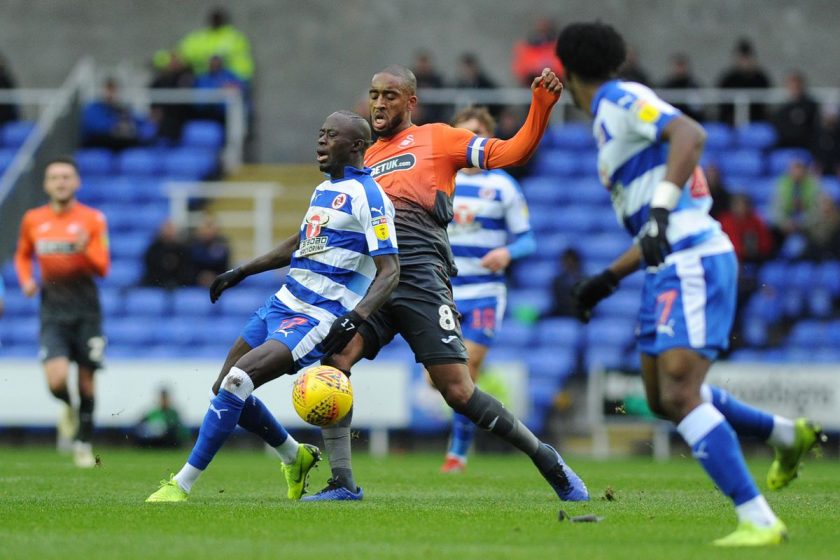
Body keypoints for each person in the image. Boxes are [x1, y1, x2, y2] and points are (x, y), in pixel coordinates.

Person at [556, 22, 822, 546]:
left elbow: (691, 135)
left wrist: (656, 210)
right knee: (661, 398)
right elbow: (656, 228)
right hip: (668, 263)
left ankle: (758, 520)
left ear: (565, 74)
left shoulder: (619, 98)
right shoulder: (610, 123)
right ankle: (786, 435)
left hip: (694, 258)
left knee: (680, 392)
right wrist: (608, 278)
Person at [303, 64, 588, 503]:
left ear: (411, 102)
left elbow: (512, 153)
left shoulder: (439, 138)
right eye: (375, 94)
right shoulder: (365, 160)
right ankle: (343, 483)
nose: (380, 103)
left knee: (458, 391)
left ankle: (548, 460)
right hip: (376, 280)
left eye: (391, 95)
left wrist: (542, 106)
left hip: (420, 277)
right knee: (333, 361)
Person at [145, 110, 400, 502]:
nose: (320, 141)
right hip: (282, 301)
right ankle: (293, 455)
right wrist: (242, 270)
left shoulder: (370, 197)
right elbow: (301, 242)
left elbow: (390, 270)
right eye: (320, 132)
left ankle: (181, 485)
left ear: (356, 147)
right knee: (224, 387)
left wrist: (356, 317)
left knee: (236, 383)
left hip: (315, 315)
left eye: (331, 135)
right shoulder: (324, 190)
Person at [439, 106, 536, 473]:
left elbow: (528, 240)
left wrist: (507, 252)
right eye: (463, 133)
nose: (470, 140)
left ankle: (457, 452)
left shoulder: (502, 185)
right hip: (442, 291)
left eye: (477, 133)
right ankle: (462, 441)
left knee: (469, 366)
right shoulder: (439, 179)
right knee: (443, 380)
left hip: (484, 291)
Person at [14, 156, 110, 468]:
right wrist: (27, 280)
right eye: (55, 177)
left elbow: (103, 267)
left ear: (76, 182)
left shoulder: (93, 219)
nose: (61, 182)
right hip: (52, 309)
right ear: (46, 184)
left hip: (86, 310)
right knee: (56, 381)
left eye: (66, 177)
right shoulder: (33, 219)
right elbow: (23, 255)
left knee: (86, 382)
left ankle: (83, 442)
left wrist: (86, 249)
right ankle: (67, 406)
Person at [178, 7, 254, 83]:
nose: (215, 20)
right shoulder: (202, 36)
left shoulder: (234, 37)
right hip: (205, 76)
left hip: (234, 77)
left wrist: (207, 58)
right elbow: (185, 52)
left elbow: (227, 54)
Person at [717, 38, 772, 125]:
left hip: (757, 121)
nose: (744, 62)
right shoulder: (728, 79)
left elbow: (766, 103)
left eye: (747, 58)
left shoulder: (761, 78)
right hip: (730, 123)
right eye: (742, 58)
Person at [511, 17, 563, 87]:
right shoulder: (525, 47)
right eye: (540, 31)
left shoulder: (558, 46)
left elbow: (561, 70)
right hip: (530, 87)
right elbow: (521, 70)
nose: (542, 35)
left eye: (545, 31)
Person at [141, 220, 193, 289]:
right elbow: (150, 268)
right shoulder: (153, 250)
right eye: (166, 229)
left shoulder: (184, 249)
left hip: (180, 284)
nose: (169, 232)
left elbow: (187, 270)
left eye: (171, 229)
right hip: (155, 284)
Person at [188, 212, 230, 288]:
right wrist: (199, 277)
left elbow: (225, 267)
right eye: (206, 226)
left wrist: (215, 277)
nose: (208, 230)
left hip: (218, 282)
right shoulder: (190, 243)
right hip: (194, 284)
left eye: (210, 226)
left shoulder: (223, 244)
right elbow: (188, 267)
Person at [660, 53, 705, 122]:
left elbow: (698, 109)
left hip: (690, 120)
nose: (679, 69)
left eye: (681, 66)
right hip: (670, 121)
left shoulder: (694, 85)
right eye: (677, 66)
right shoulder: (665, 86)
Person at [545, 248, 584, 318]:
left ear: (577, 262)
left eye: (572, 261)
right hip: (562, 312)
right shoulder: (557, 281)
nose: (569, 264)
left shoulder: (586, 280)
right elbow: (557, 301)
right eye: (567, 261)